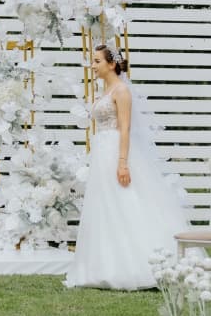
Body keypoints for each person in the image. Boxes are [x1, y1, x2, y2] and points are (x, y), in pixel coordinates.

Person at [64, 44, 189, 289]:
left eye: (97, 61)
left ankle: (141, 265)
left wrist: (122, 163)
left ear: (111, 64)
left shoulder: (121, 91)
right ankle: (106, 264)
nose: (93, 65)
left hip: (116, 151)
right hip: (102, 151)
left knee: (126, 202)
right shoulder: (106, 90)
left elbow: (125, 127)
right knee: (107, 207)